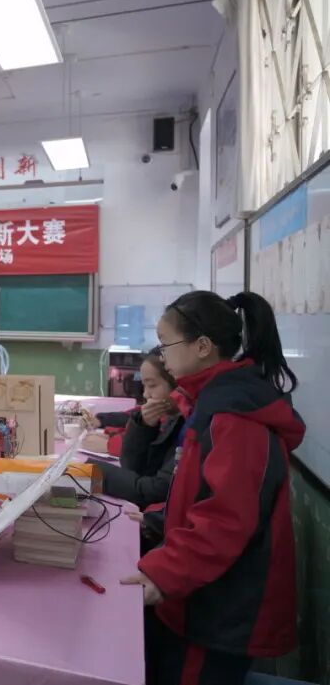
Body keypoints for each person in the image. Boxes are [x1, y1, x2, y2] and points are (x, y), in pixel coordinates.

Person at [122, 291, 305, 685]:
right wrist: (161, 519)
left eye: (166, 344)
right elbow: (203, 491)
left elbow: (226, 520)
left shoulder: (234, 418)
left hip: (219, 608)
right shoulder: (208, 401)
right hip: (201, 591)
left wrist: (163, 573)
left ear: (202, 346)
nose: (162, 356)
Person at [89, 347, 183, 510]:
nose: (145, 394)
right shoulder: (168, 418)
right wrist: (142, 426)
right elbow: (132, 468)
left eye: (152, 385)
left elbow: (156, 490)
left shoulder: (187, 425)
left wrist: (94, 471)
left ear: (177, 385)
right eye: (144, 386)